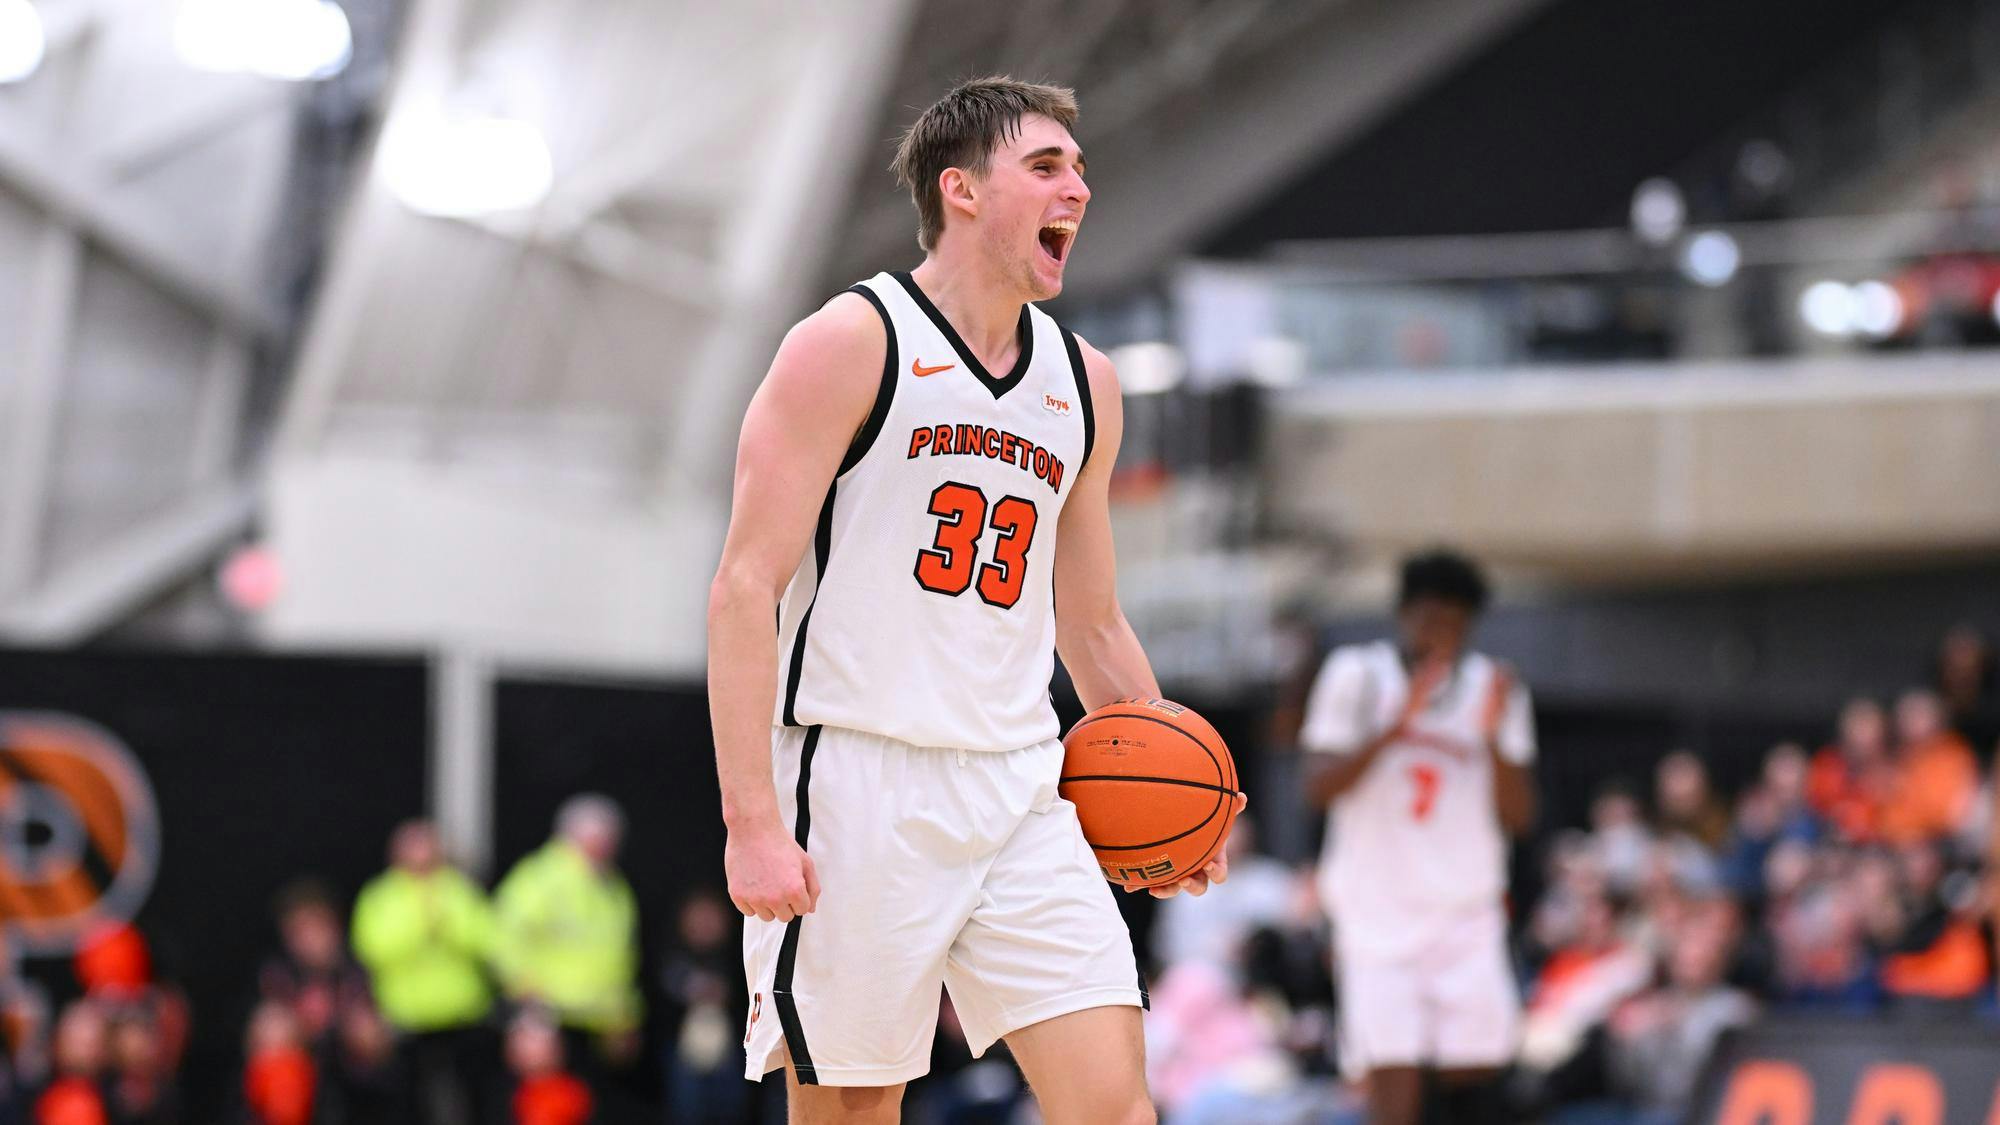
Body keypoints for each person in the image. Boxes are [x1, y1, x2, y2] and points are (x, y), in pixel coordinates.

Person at [707, 75, 1243, 1123]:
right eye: (1044, 167)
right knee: (856, 1112)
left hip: (1020, 784)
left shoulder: (1084, 384)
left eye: (1078, 170)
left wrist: (1187, 784)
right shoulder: (850, 341)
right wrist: (751, 822)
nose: (1077, 189)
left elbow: (1091, 622)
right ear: (960, 189)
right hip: (858, 780)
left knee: (1116, 1110)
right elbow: (742, 588)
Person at [1300, 549, 1537, 1125]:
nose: (1440, 635)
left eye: (1455, 624)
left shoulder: (1496, 688)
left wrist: (1492, 741)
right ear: (1404, 614)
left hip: (1464, 910)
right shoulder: (1357, 675)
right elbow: (1317, 787)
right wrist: (1394, 727)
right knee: (1394, 1076)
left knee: (1478, 1071)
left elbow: (1521, 816)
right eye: (1431, 619)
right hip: (1376, 912)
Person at [351, 819, 497, 1125]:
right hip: (407, 1015)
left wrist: (446, 926)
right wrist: (420, 926)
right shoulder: (381, 896)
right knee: (411, 1100)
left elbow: (486, 937)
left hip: (462, 1013)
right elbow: (370, 947)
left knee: (471, 1096)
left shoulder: (459, 889)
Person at [493, 796, 641, 1084]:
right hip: (551, 1018)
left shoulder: (613, 886)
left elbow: (619, 957)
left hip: (600, 1022)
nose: (606, 846)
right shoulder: (541, 878)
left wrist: (625, 1016)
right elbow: (504, 937)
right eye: (598, 838)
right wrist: (526, 1002)